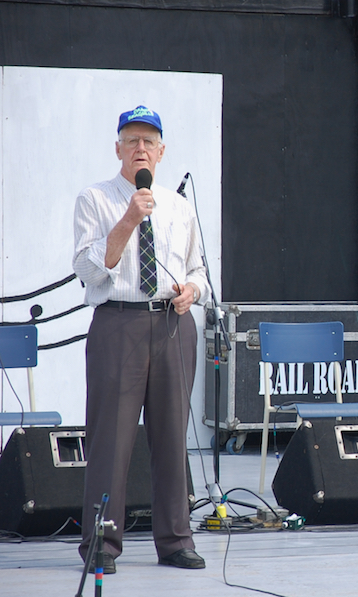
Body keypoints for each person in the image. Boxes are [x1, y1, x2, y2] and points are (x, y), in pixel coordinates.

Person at [73, 106, 209, 572]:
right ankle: (101, 545)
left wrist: (191, 290)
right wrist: (129, 216)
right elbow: (90, 268)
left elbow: (198, 272)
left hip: (172, 323)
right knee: (111, 438)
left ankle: (175, 540)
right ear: (117, 148)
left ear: (162, 151)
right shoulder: (95, 198)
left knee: (171, 436)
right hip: (119, 322)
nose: (140, 149)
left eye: (149, 142)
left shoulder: (179, 206)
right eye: (132, 141)